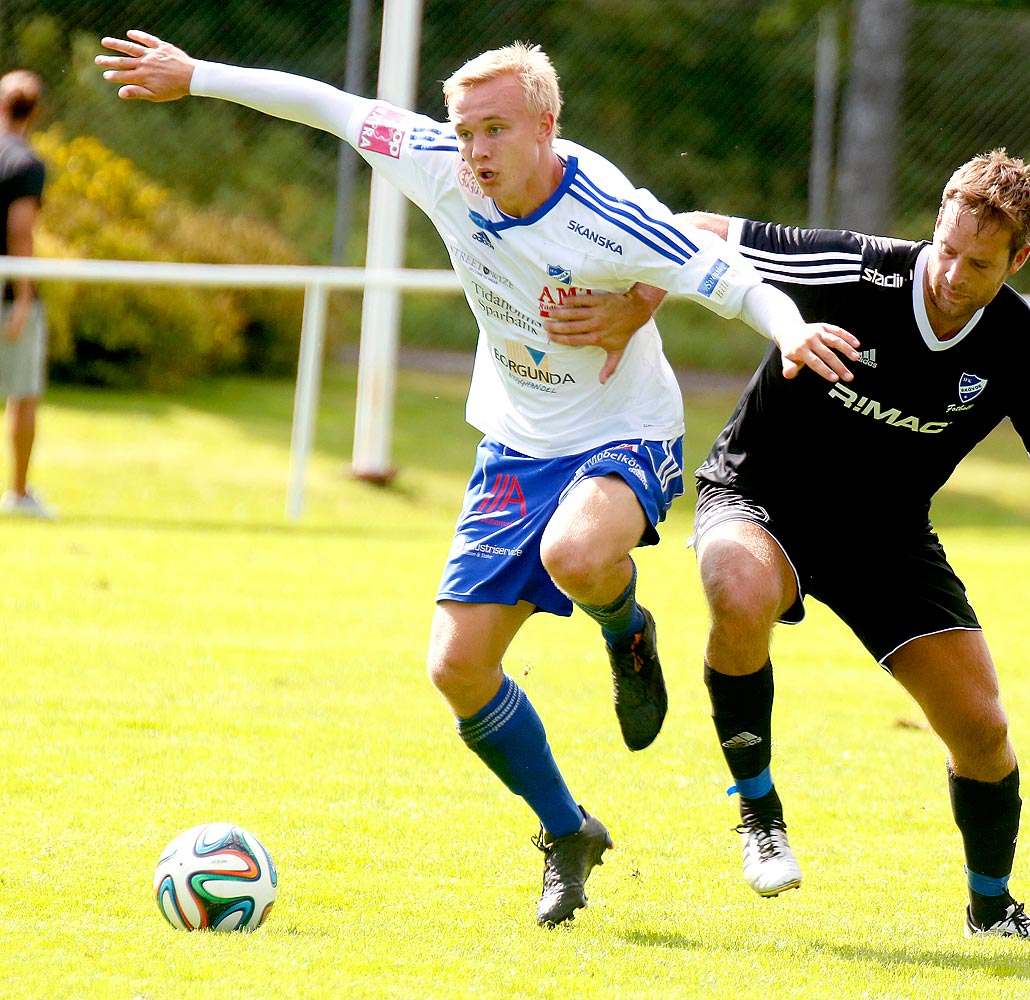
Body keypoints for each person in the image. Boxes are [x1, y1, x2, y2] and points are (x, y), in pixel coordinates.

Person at [96, 31, 858, 927]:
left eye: (495, 130)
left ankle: (624, 625)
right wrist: (196, 77)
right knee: (456, 667)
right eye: (465, 130)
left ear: (547, 125)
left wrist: (788, 328)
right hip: (514, 441)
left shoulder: (605, 209)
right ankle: (568, 829)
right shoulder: (441, 167)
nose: (475, 151)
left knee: (577, 553)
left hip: (623, 429)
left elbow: (727, 277)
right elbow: (330, 107)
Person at [544, 149, 1030, 945]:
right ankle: (759, 811)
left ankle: (992, 913)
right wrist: (643, 301)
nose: (952, 274)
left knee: (983, 731)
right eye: (946, 249)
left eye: (980, 263)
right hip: (759, 497)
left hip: (885, 538)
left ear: (1018, 259)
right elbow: (697, 230)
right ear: (936, 228)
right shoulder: (856, 270)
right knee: (738, 590)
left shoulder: (1018, 346)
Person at [0, 69, 54, 520]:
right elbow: (20, 232)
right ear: (35, 112)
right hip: (6, 297)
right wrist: (22, 300)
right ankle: (17, 494)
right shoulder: (26, 164)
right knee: (21, 396)